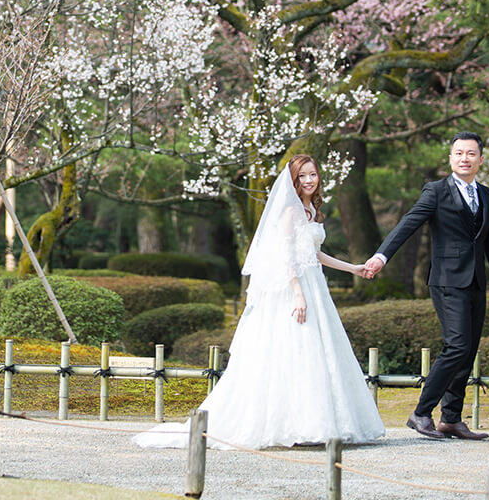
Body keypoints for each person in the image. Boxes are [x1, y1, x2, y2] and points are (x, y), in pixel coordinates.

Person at [134, 155, 385, 450]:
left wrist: (353, 267)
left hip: (315, 285)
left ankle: (316, 423)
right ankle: (299, 425)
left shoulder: (312, 210)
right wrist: (298, 294)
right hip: (296, 288)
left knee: (317, 352)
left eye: (312, 174)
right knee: (296, 350)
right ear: (293, 181)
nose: (308, 180)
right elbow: (286, 255)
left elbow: (314, 254)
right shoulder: (290, 212)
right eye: (302, 176)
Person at [361, 132, 489, 440]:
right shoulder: (436, 191)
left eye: (471, 154)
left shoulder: (486, 195)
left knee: (468, 350)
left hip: (475, 282)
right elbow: (407, 224)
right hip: (446, 280)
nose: (464, 158)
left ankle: (451, 419)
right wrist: (382, 256)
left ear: (480, 160)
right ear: (450, 158)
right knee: (456, 345)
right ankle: (420, 413)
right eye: (459, 153)